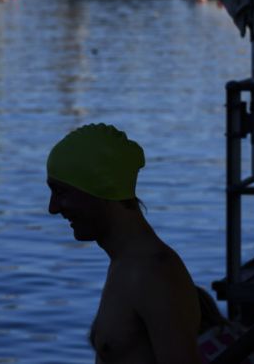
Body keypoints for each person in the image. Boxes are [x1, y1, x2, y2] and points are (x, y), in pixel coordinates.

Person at [46, 123, 201, 364]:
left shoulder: (155, 273)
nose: (52, 208)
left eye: (61, 192)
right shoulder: (125, 264)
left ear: (100, 188)